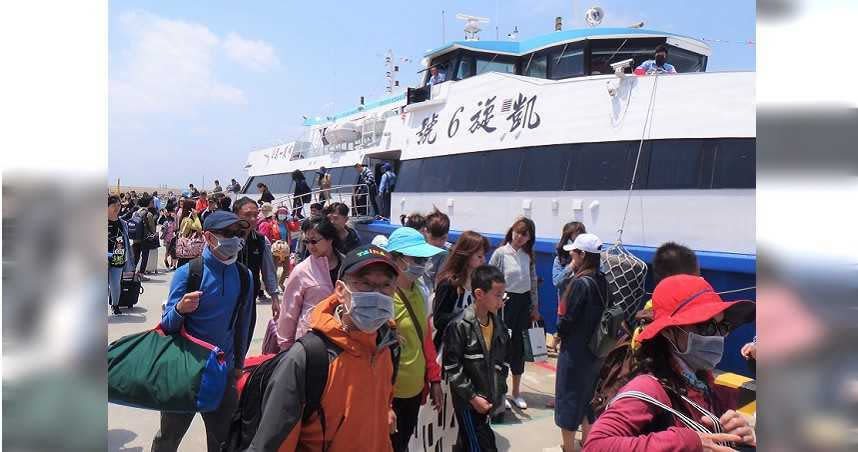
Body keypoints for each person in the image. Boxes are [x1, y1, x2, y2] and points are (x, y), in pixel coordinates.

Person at [247, 245, 401, 451]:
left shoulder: (387, 346)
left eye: (385, 286)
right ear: (340, 290)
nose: (377, 295)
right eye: (365, 284)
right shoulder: (307, 358)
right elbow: (273, 443)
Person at [584, 274, 757, 451]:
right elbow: (594, 445)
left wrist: (738, 438)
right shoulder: (647, 388)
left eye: (723, 327)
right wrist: (685, 442)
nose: (718, 336)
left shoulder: (701, 383)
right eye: (706, 326)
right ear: (669, 332)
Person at [151, 211, 254, 452]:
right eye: (227, 234)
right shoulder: (187, 274)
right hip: (185, 373)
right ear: (208, 236)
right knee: (168, 437)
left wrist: (238, 365)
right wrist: (179, 309)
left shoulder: (244, 276)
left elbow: (243, 325)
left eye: (238, 233)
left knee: (223, 441)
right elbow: (167, 326)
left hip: (222, 372)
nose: (234, 239)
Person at [383, 227, 445, 451]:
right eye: (416, 258)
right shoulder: (385, 299)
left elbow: (425, 338)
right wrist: (386, 404)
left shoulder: (420, 290)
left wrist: (434, 380)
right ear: (397, 259)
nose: (423, 263)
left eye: (425, 258)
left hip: (415, 391)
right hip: (392, 396)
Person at [443, 265, 510, 452]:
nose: (501, 301)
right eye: (497, 295)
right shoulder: (459, 325)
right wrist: (473, 397)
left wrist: (499, 389)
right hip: (468, 403)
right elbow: (452, 366)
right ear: (479, 294)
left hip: (487, 401)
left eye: (503, 295)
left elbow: (503, 363)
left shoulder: (500, 327)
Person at [554, 233, 607, 452]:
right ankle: (587, 443)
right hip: (595, 350)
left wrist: (558, 334)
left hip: (575, 351)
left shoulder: (581, 283)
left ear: (583, 255)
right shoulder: (601, 279)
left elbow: (569, 319)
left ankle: (568, 447)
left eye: (574, 253)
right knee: (588, 398)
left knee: (568, 398)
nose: (572, 257)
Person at [488, 216, 539, 410]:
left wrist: (535, 307)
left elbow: (533, 283)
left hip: (523, 304)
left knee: (519, 348)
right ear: (512, 231)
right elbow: (489, 276)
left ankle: (516, 393)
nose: (520, 236)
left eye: (525, 234)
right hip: (505, 304)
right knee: (501, 346)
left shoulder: (529, 256)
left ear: (529, 238)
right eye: (517, 232)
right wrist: (495, 301)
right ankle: (500, 391)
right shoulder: (501, 253)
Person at [276, 216, 344, 350]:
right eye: (306, 241)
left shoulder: (347, 265)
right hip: (311, 344)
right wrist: (286, 347)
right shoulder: (301, 271)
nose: (309, 246)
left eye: (314, 241)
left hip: (343, 343)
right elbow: (288, 312)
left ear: (330, 239)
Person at [432, 230, 491, 349]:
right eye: (479, 256)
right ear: (467, 255)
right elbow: (439, 321)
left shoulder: (479, 282)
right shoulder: (449, 283)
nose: (483, 260)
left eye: (483, 256)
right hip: (450, 346)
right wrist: (467, 315)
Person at [233, 197, 281, 318]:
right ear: (235, 215)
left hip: (249, 298)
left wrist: (274, 297)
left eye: (255, 214)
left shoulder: (261, 241)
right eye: (248, 215)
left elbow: (268, 270)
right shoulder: (225, 238)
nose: (253, 219)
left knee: (245, 335)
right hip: (224, 299)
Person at [550, 222, 587, 354]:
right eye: (574, 237)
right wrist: (571, 266)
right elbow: (556, 282)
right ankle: (556, 342)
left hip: (584, 307)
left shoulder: (589, 260)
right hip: (566, 306)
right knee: (564, 334)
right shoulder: (559, 260)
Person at [108, 195, 136, 315]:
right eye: (114, 206)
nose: (117, 208)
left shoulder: (122, 223)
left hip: (118, 257)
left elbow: (126, 241)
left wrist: (128, 257)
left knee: (115, 284)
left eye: (119, 205)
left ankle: (115, 305)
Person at [421, 208, 452, 290]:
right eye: (434, 238)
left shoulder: (447, 253)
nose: (438, 243)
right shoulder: (416, 247)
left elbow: (439, 283)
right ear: (425, 232)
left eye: (443, 238)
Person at [130, 196, 157, 280]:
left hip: (135, 238)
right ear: (149, 203)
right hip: (145, 239)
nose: (153, 203)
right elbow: (152, 229)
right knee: (144, 257)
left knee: (135, 257)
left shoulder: (135, 213)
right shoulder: (149, 214)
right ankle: (141, 274)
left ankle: (132, 273)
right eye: (152, 202)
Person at [177, 199, 203, 268]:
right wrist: (195, 216)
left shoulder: (183, 218)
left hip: (185, 252)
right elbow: (199, 228)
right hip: (187, 252)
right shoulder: (188, 220)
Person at [158, 205, 178, 271]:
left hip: (171, 237)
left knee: (171, 250)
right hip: (169, 238)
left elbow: (175, 228)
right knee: (169, 250)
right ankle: (167, 260)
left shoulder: (172, 220)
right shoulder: (167, 221)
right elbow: (160, 224)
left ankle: (171, 263)